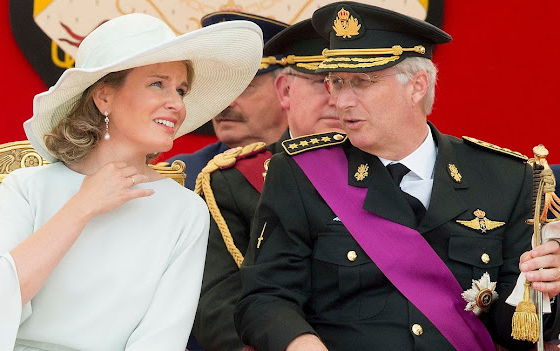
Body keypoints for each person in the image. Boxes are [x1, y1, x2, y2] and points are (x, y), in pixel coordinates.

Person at [234, 3, 560, 351]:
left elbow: (520, 333)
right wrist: (301, 344)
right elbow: (265, 298)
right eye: (336, 83)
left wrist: (548, 289)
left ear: (417, 86)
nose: (341, 101)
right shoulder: (300, 173)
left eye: (361, 82)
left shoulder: (506, 178)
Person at [0, 13, 263, 350]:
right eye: (157, 83)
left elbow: (161, 339)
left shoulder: (185, 209)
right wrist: (81, 207)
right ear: (104, 96)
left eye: (180, 89)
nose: (177, 103)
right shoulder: (26, 188)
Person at [193, 19, 343, 351]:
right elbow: (219, 310)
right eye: (322, 83)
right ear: (286, 91)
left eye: (244, 86)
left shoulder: (394, 168)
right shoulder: (223, 180)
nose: (338, 99)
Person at [166, 11, 289, 190]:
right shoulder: (182, 176)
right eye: (220, 88)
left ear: (285, 90)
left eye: (243, 87)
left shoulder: (316, 168)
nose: (226, 102)